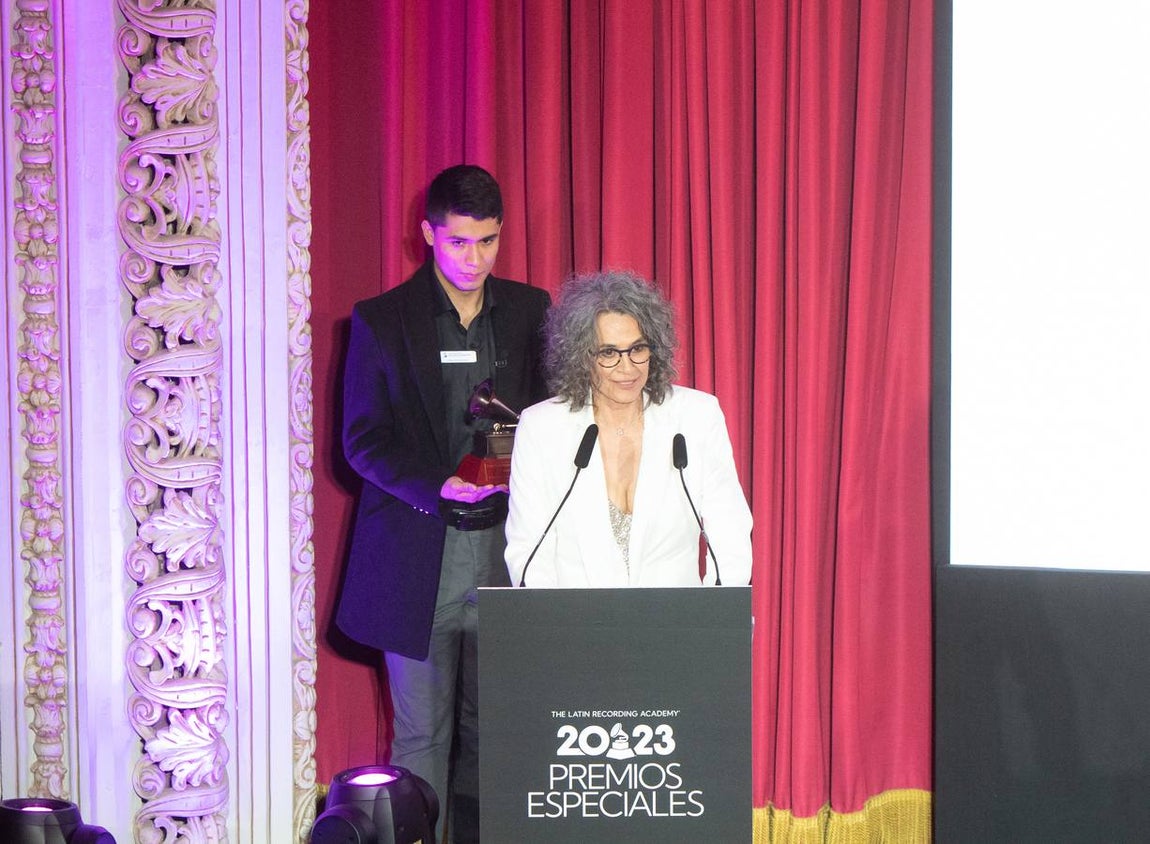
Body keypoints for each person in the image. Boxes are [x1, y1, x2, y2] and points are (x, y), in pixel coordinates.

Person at [336, 164, 550, 843]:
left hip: (506, 560)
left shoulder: (532, 311)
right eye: (459, 242)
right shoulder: (381, 320)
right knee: (423, 737)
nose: (475, 258)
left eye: (488, 242)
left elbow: (555, 417)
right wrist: (437, 485)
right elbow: (361, 442)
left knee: (499, 737)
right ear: (428, 234)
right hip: (417, 559)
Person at [505, 269, 752, 587]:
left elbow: (729, 530)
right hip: (578, 628)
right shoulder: (541, 428)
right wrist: (556, 633)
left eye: (637, 349)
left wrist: (713, 621)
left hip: (676, 628)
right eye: (609, 353)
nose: (628, 367)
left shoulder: (696, 417)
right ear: (581, 357)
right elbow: (529, 553)